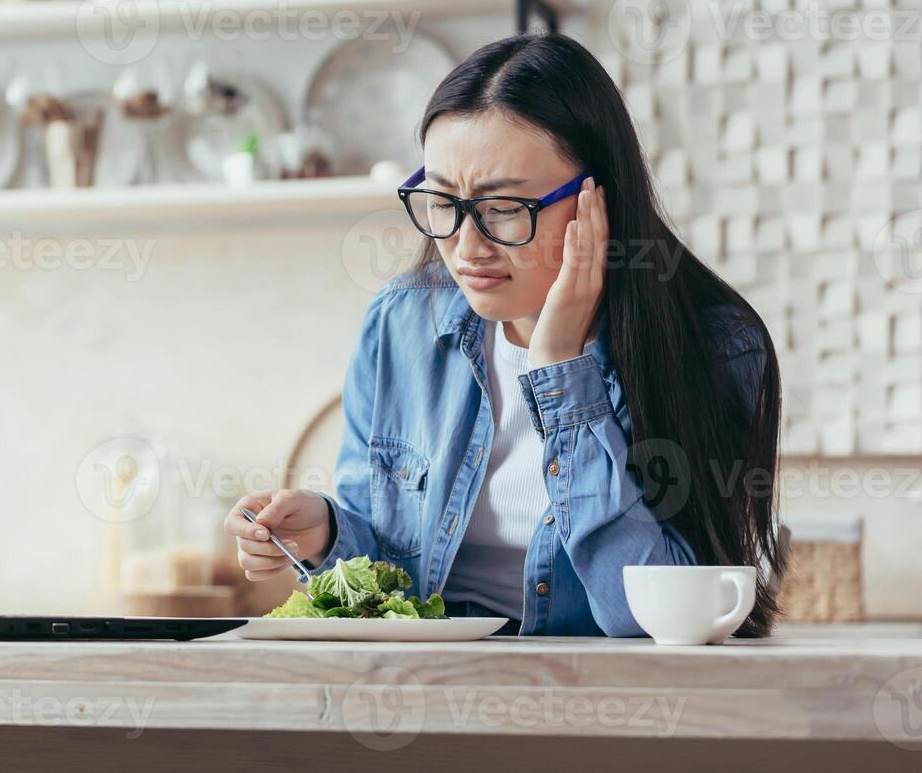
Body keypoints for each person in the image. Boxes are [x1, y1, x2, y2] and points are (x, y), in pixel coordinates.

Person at [224, 33, 783, 637]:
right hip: (426, 691)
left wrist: (562, 373)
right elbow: (390, 576)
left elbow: (658, 621)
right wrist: (328, 534)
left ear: (600, 201)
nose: (466, 248)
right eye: (443, 199)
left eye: (505, 207)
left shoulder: (715, 347)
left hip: (611, 703)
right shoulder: (400, 326)